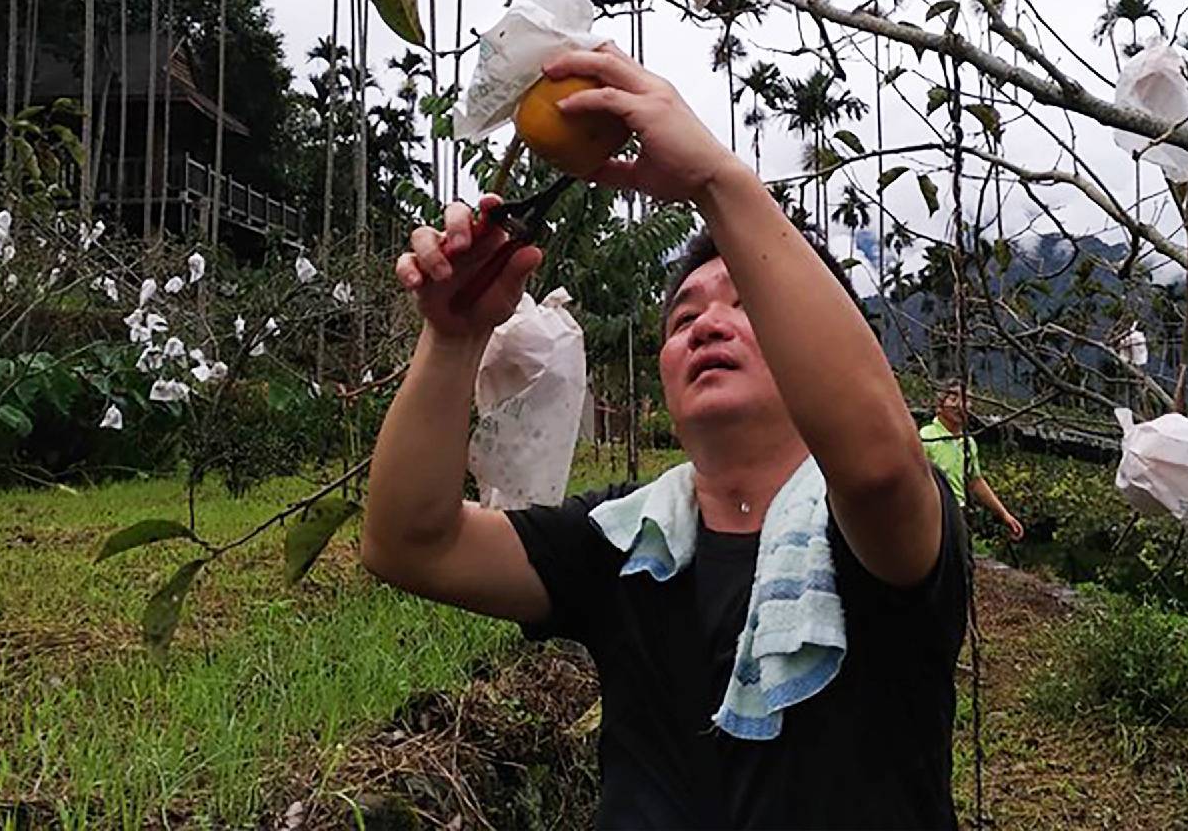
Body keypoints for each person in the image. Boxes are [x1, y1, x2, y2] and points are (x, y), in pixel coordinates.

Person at [362, 44, 967, 829]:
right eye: (684, 317)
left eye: (746, 300)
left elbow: (880, 465)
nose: (708, 321)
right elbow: (408, 543)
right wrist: (452, 341)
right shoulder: (626, 543)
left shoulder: (885, 526)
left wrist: (718, 183)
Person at [918, 381, 1025, 541]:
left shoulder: (968, 443)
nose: (960, 405)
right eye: (953, 398)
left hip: (960, 512)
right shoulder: (926, 437)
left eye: (965, 400)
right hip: (934, 512)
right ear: (940, 406)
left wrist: (1005, 515)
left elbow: (975, 481)